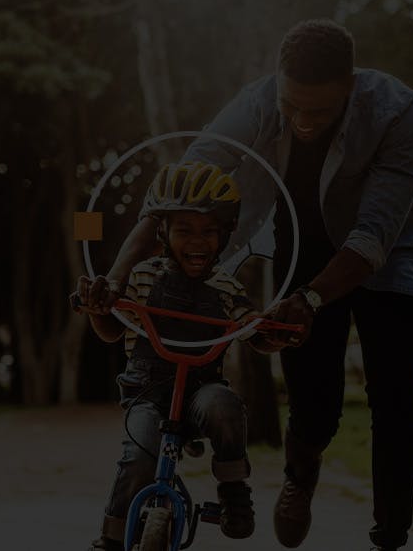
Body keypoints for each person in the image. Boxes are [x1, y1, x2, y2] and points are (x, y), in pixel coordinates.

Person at [88, 19, 413, 551]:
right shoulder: (254, 105)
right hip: (306, 249)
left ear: (350, 86)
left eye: (317, 111)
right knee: (314, 400)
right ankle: (301, 475)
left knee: (394, 396)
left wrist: (313, 298)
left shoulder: (397, 109)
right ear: (277, 82)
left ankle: (391, 534)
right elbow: (175, 194)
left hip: (384, 255)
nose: (299, 120)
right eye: (290, 104)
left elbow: (373, 236)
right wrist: (113, 279)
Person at [78, 162, 287, 551]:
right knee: (139, 456)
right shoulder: (142, 275)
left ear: (225, 235)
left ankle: (234, 490)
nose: (198, 241)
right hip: (147, 393)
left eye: (209, 231)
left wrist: (271, 332)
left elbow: (250, 326)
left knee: (224, 406)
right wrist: (98, 310)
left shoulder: (226, 286)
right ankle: (110, 538)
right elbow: (111, 331)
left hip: (200, 393)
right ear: (163, 233)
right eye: (184, 230)